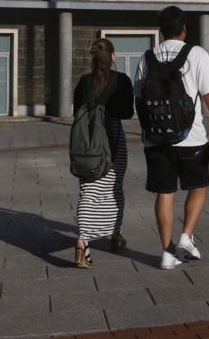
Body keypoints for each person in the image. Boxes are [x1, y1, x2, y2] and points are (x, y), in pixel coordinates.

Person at [134, 5, 209, 269]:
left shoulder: (147, 57)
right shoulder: (196, 54)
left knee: (165, 192)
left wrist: (148, 131)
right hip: (191, 138)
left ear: (161, 31)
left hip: (156, 140)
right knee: (198, 186)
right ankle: (186, 236)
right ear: (184, 28)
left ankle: (166, 252)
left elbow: (139, 98)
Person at [72, 38, 134, 268]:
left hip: (86, 144)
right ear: (113, 56)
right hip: (112, 140)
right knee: (114, 187)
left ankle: (83, 241)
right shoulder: (121, 80)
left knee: (88, 190)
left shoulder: (83, 82)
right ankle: (115, 233)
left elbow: (75, 110)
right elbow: (127, 112)